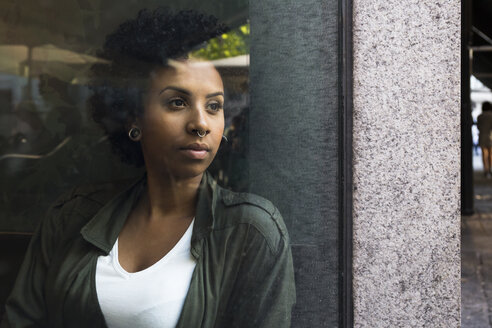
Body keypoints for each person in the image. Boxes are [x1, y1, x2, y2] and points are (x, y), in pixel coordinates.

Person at [2, 9, 295, 328]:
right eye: (177, 103)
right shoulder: (70, 217)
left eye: (214, 106)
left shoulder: (251, 231)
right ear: (133, 118)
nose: (201, 124)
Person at [477, 101, 492, 177]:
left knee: (484, 154)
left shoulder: (480, 116)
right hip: (490, 136)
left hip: (482, 136)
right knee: (490, 154)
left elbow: (478, 127)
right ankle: (490, 168)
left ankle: (485, 169)